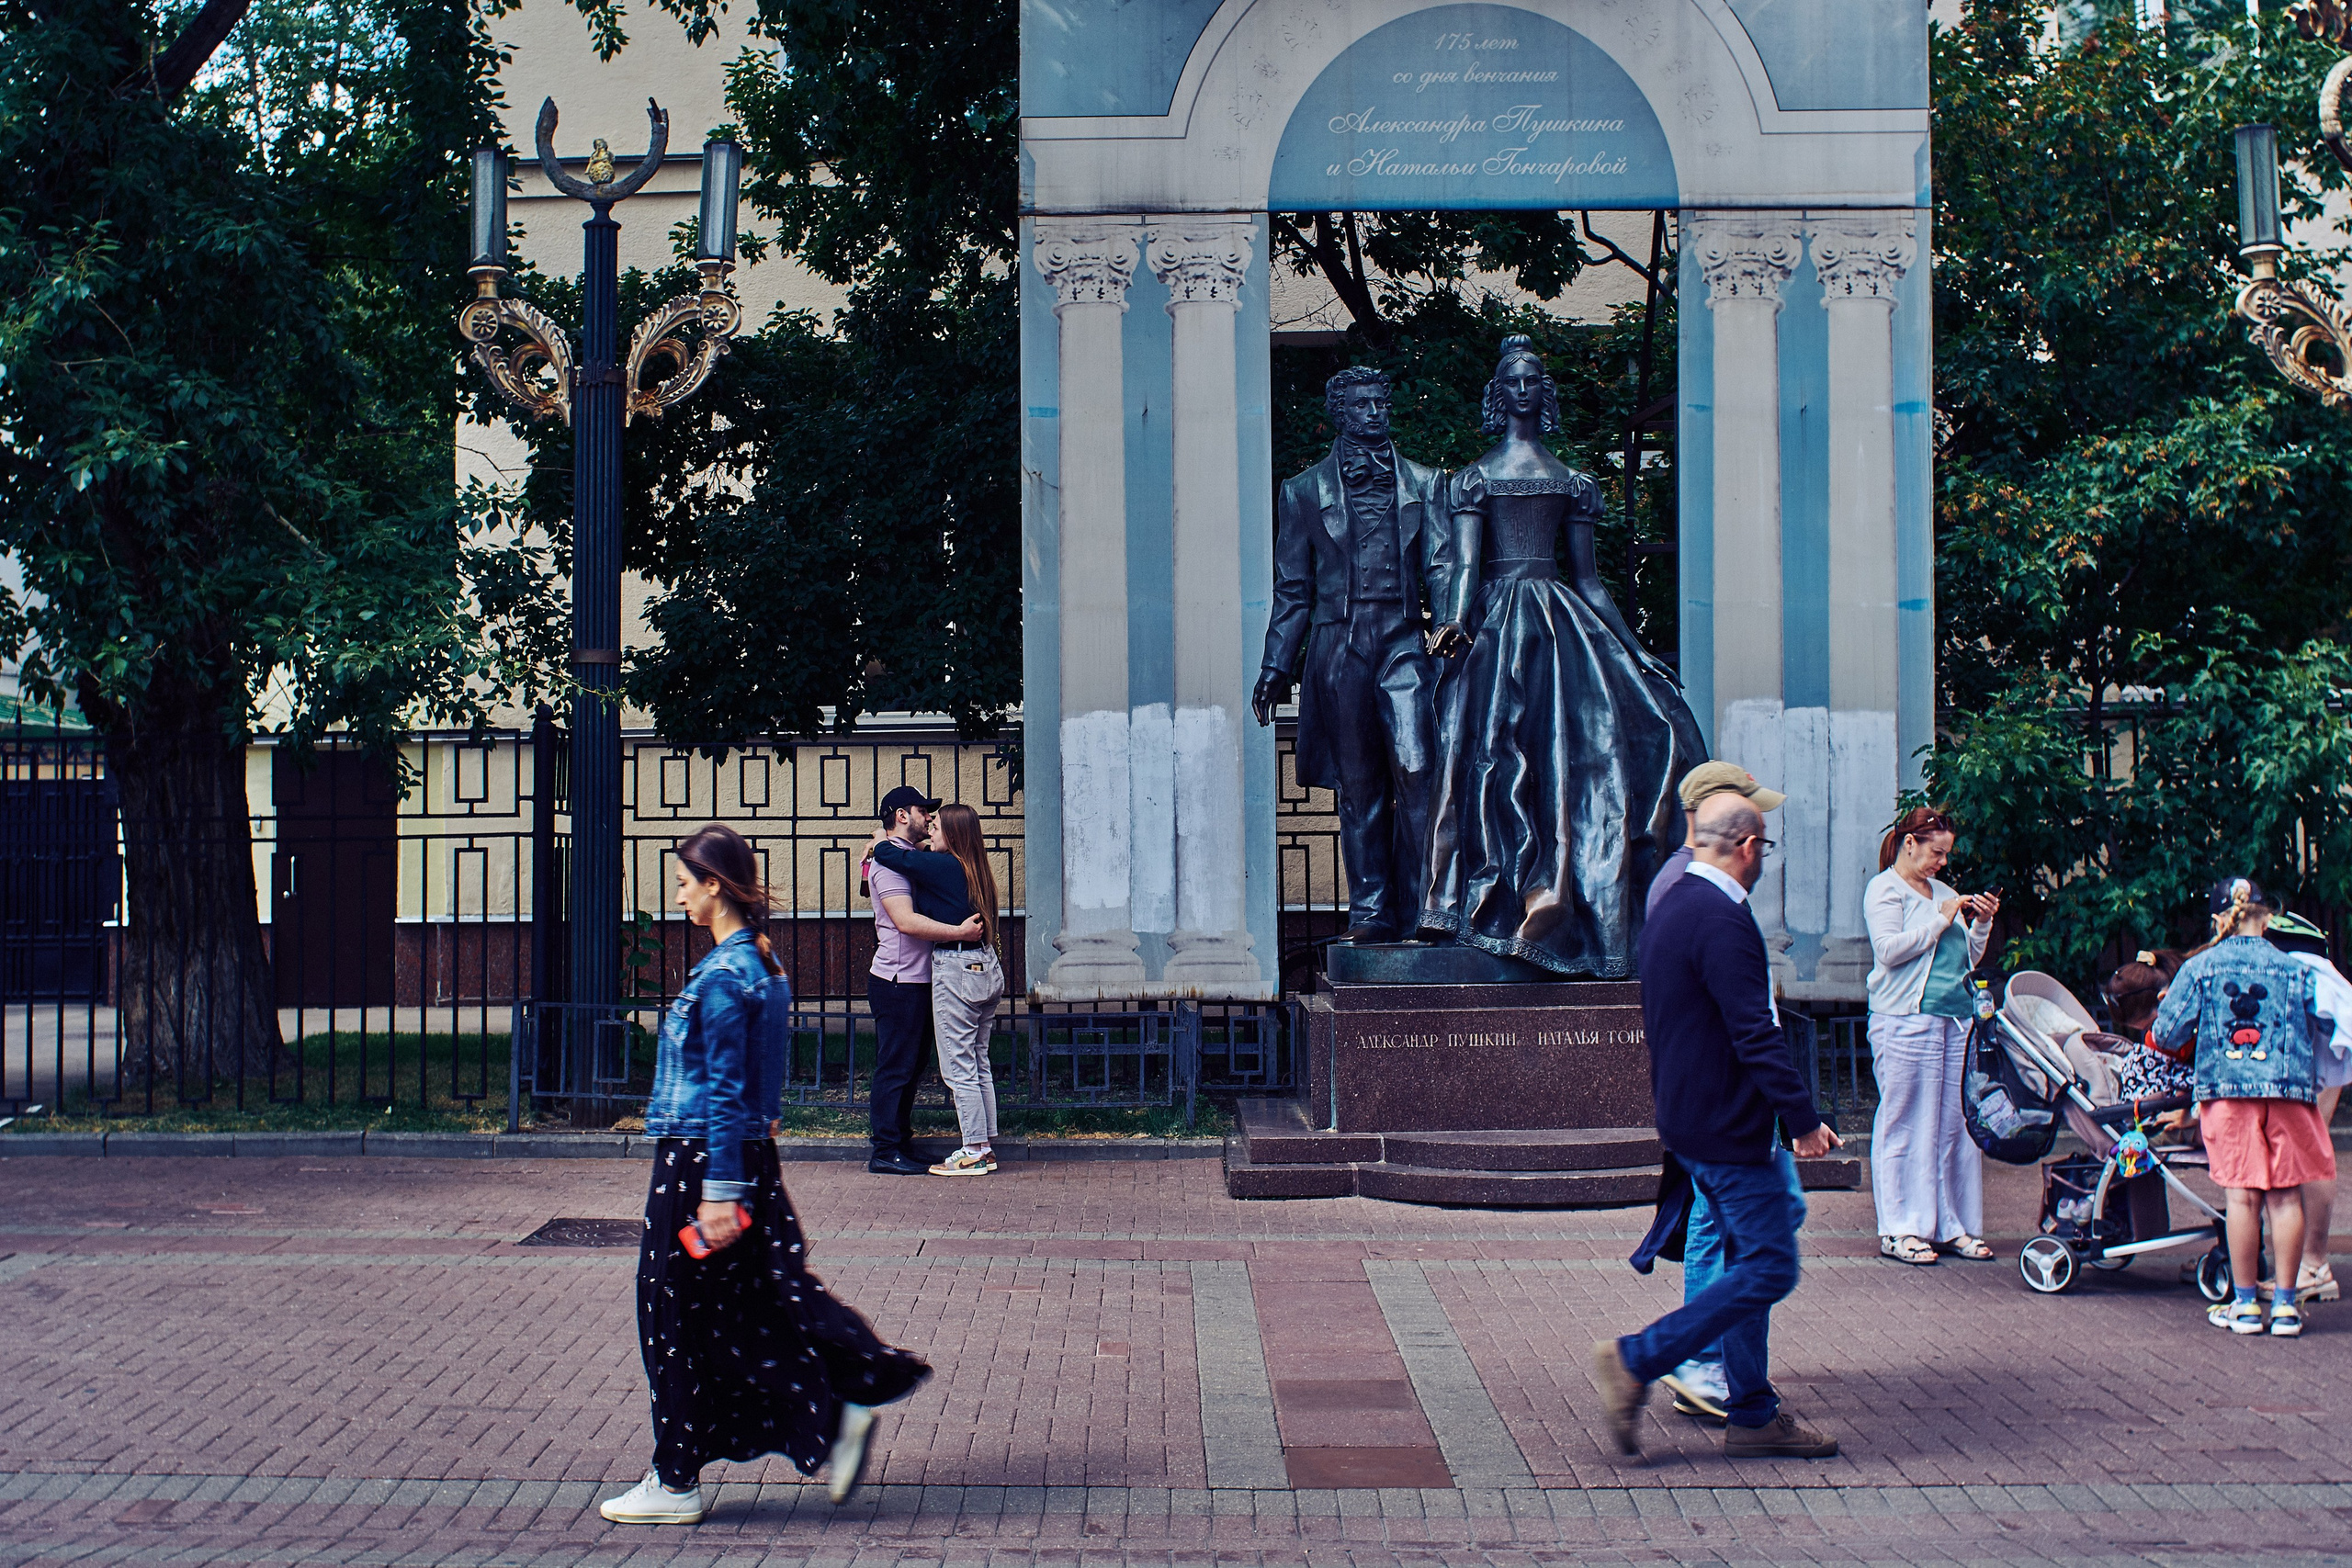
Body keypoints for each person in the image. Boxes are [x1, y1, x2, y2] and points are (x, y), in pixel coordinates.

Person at [600, 824, 931, 1525]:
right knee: (750, 1304)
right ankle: (836, 1414)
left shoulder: (724, 975)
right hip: (745, 1157)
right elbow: (764, 1092)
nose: (680, 893)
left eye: (687, 881)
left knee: (672, 1317)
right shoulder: (764, 965)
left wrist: (718, 1192)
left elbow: (724, 1090)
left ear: (715, 884)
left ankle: (675, 1479)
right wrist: (749, 1170)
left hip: (700, 1165)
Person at [1419, 335, 1705, 976]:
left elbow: (1592, 581)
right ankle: (1485, 904)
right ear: (1500, 393)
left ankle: (1578, 908)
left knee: (1619, 740)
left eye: (1533, 379)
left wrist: (1637, 652)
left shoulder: (1573, 481)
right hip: (1496, 626)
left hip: (1560, 623)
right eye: (1513, 380)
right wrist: (1453, 625)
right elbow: (1466, 564)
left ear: (1542, 393)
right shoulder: (1474, 477)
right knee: (1496, 762)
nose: (1523, 388)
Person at [1592, 794, 1845, 1460]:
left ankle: (1754, 1411)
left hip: (1692, 1117)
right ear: (1747, 844)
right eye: (1766, 848)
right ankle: (1639, 1359)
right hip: (1729, 1126)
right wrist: (1804, 1119)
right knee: (1768, 1267)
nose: (1763, 859)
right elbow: (1756, 1033)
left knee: (1753, 1257)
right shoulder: (1722, 915)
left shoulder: (1671, 905)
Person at [1252, 367, 1451, 942]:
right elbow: (1293, 588)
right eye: (1361, 405)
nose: (1374, 413)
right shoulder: (1303, 491)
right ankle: (1371, 909)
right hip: (1340, 643)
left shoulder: (1426, 482)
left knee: (1417, 770)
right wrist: (1275, 666)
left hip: (1405, 639)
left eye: (1380, 403)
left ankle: (1426, 906)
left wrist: (1451, 625)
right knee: (1360, 785)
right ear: (1339, 413)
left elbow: (1440, 566)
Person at [1646, 761, 1788, 1427]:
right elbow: (1734, 1020)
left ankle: (1723, 1375)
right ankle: (1690, 1363)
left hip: (1715, 1106)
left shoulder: (1691, 885)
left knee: (1744, 1237)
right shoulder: (1691, 888)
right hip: (1721, 1109)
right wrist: (1796, 1112)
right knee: (1738, 1243)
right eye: (1751, 816)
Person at [2151, 877, 2338, 1337]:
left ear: (2220, 918)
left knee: (2242, 1197)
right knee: (2285, 1195)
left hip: (2229, 1093)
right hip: (2289, 1093)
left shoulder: (2201, 967)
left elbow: (2168, 1033)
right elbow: (2322, 1025)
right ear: (2268, 916)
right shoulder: (2296, 968)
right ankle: (2289, 1308)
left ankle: (2247, 1305)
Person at [1862, 807, 1999, 1266]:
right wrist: (1940, 920)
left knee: (1952, 1125)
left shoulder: (1943, 891)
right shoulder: (1884, 889)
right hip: (1904, 1019)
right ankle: (1900, 1228)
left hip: (1953, 1020)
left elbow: (1966, 960)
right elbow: (1888, 952)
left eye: (1946, 854)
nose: (1942, 862)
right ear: (1910, 844)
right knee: (1904, 1121)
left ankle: (1951, 1226)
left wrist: (1980, 922)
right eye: (1936, 852)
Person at [868, 803, 1006, 1177]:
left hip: (957, 967)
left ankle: (974, 1149)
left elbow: (892, 856)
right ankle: (986, 1145)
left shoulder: (944, 867)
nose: (931, 831)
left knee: (959, 1065)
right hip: (983, 967)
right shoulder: (972, 867)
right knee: (978, 1061)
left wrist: (879, 840)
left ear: (954, 835)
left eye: (938, 827)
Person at [2257, 910, 2349, 1305]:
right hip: (2321, 1041)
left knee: (2311, 1154)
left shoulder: (2272, 944)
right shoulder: (2286, 929)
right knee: (2311, 1151)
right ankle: (2309, 1263)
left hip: (2309, 1047)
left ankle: (2313, 1265)